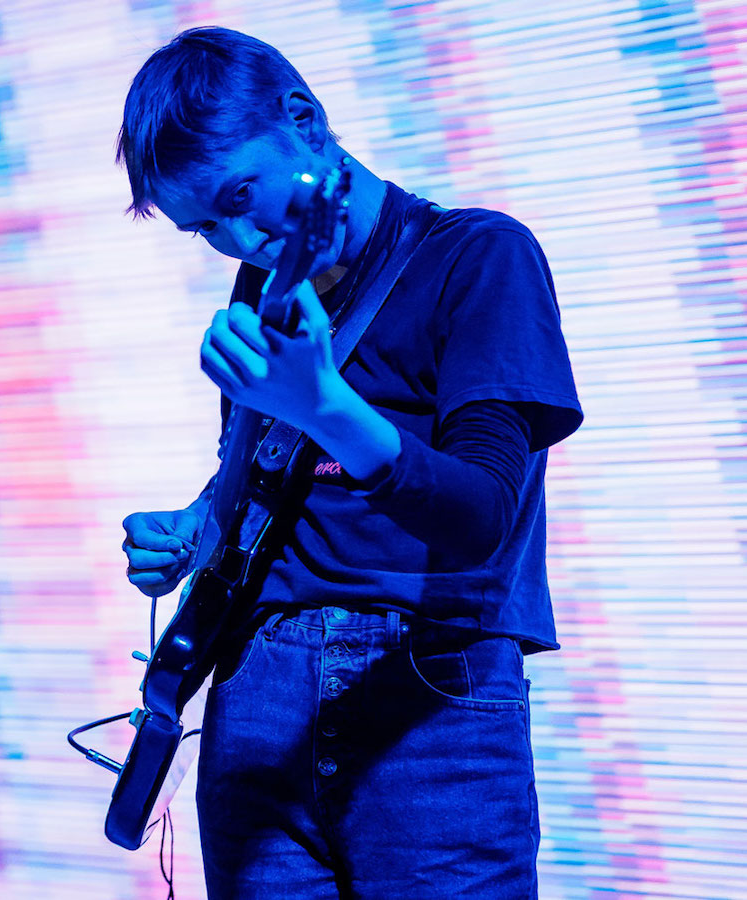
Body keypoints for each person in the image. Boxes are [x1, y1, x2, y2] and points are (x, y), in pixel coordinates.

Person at [117, 25, 583, 900]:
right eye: (203, 227)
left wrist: (325, 404)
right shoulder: (266, 287)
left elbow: (482, 514)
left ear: (304, 119)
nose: (239, 238)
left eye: (240, 194)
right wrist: (196, 527)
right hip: (256, 693)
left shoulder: (479, 256)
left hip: (424, 696)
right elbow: (270, 479)